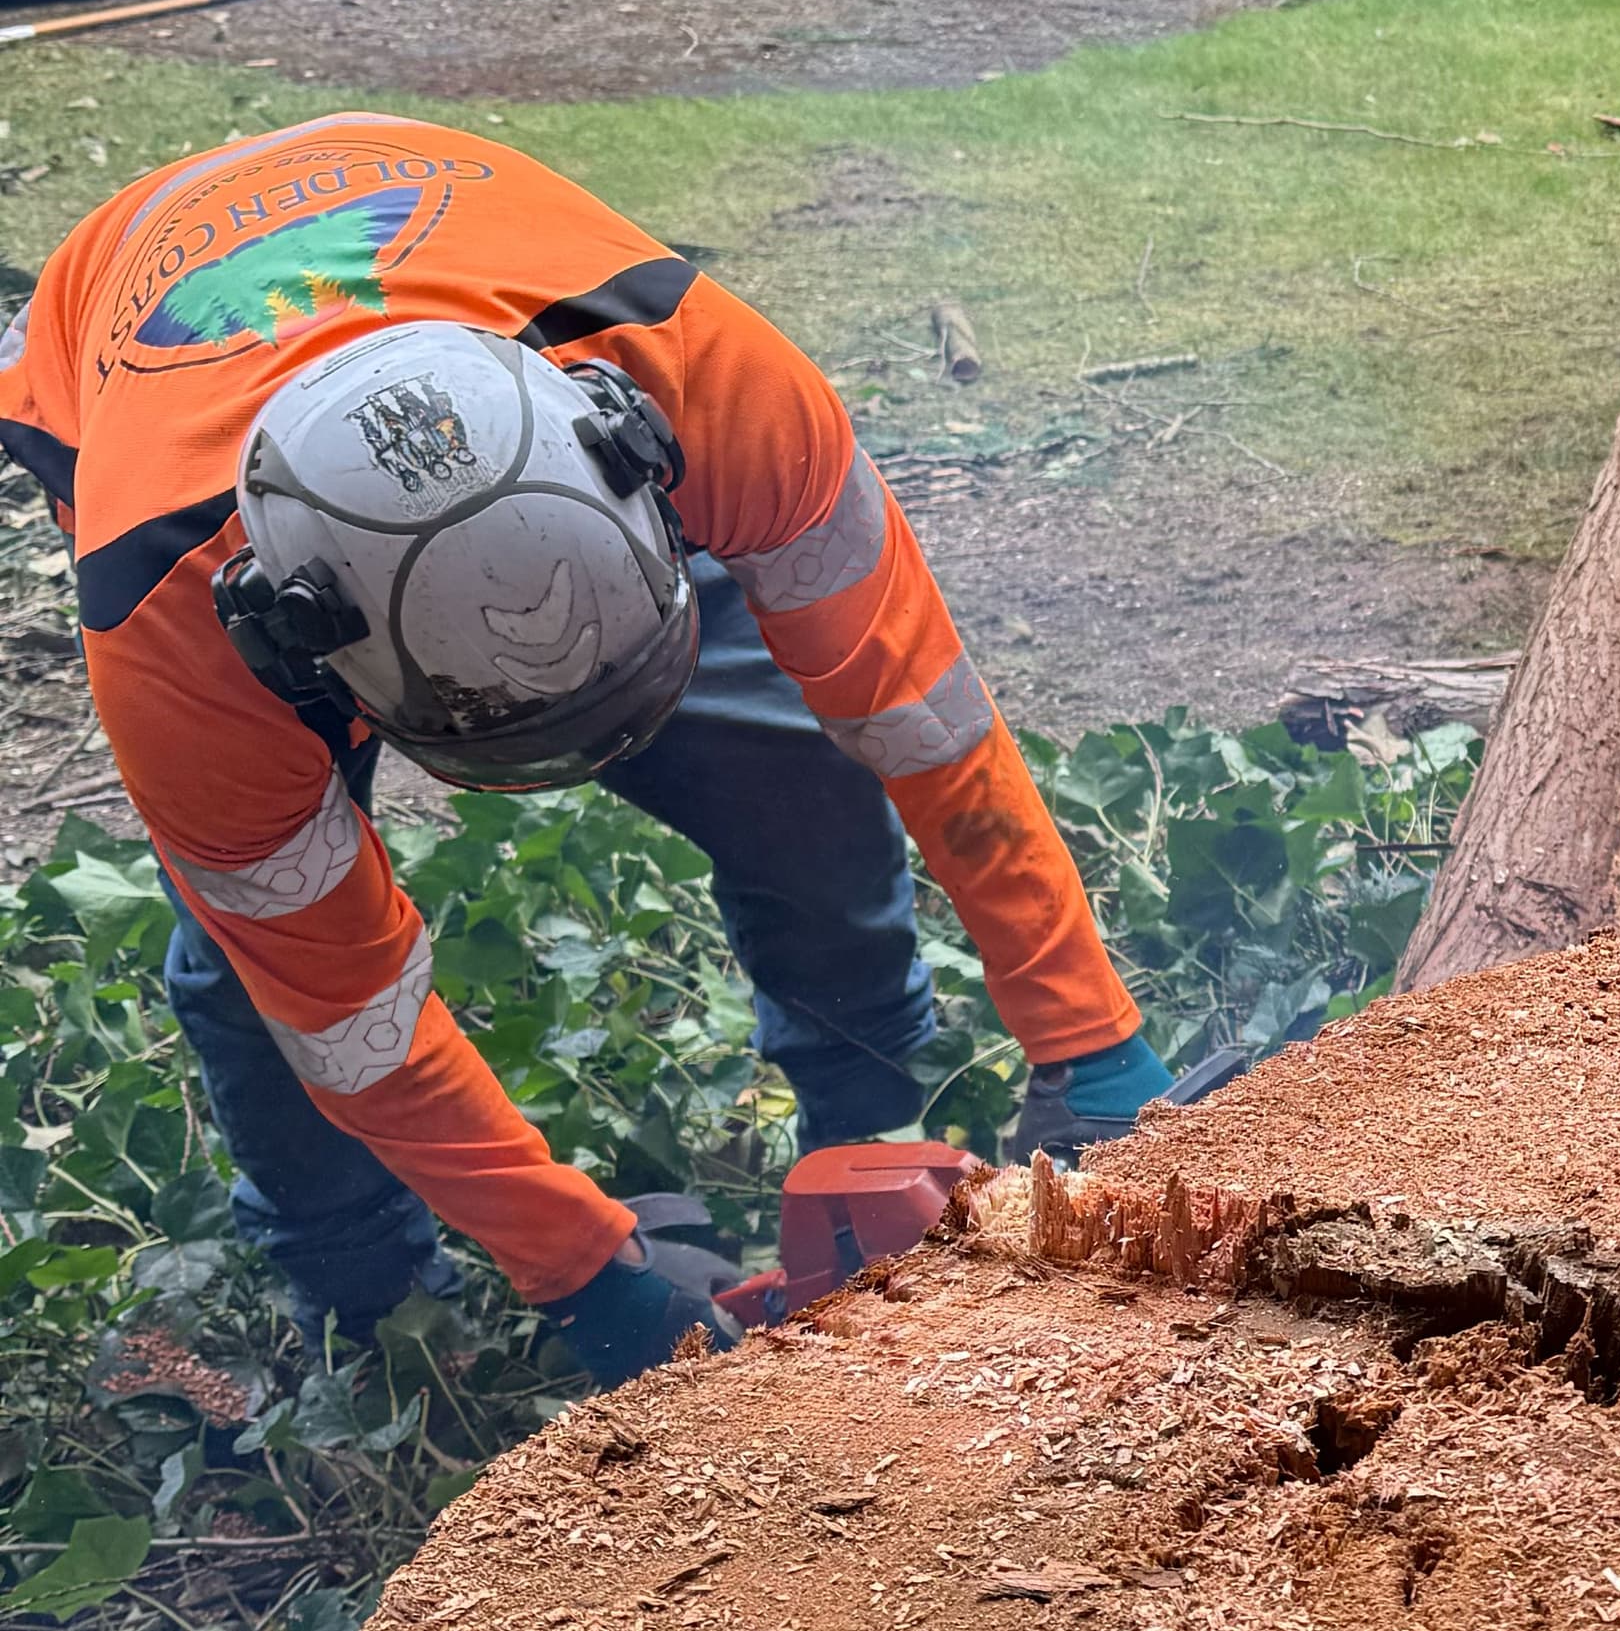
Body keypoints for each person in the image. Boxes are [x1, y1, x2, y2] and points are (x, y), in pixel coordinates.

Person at [0, 113, 1171, 1381]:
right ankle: (363, 1288)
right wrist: (579, 1266)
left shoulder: (708, 377)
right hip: (125, 392)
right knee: (262, 959)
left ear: (645, 476)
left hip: (507, 293)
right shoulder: (168, 616)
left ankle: (864, 1105)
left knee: (787, 766)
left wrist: (1090, 1040)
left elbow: (926, 723)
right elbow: (347, 1014)